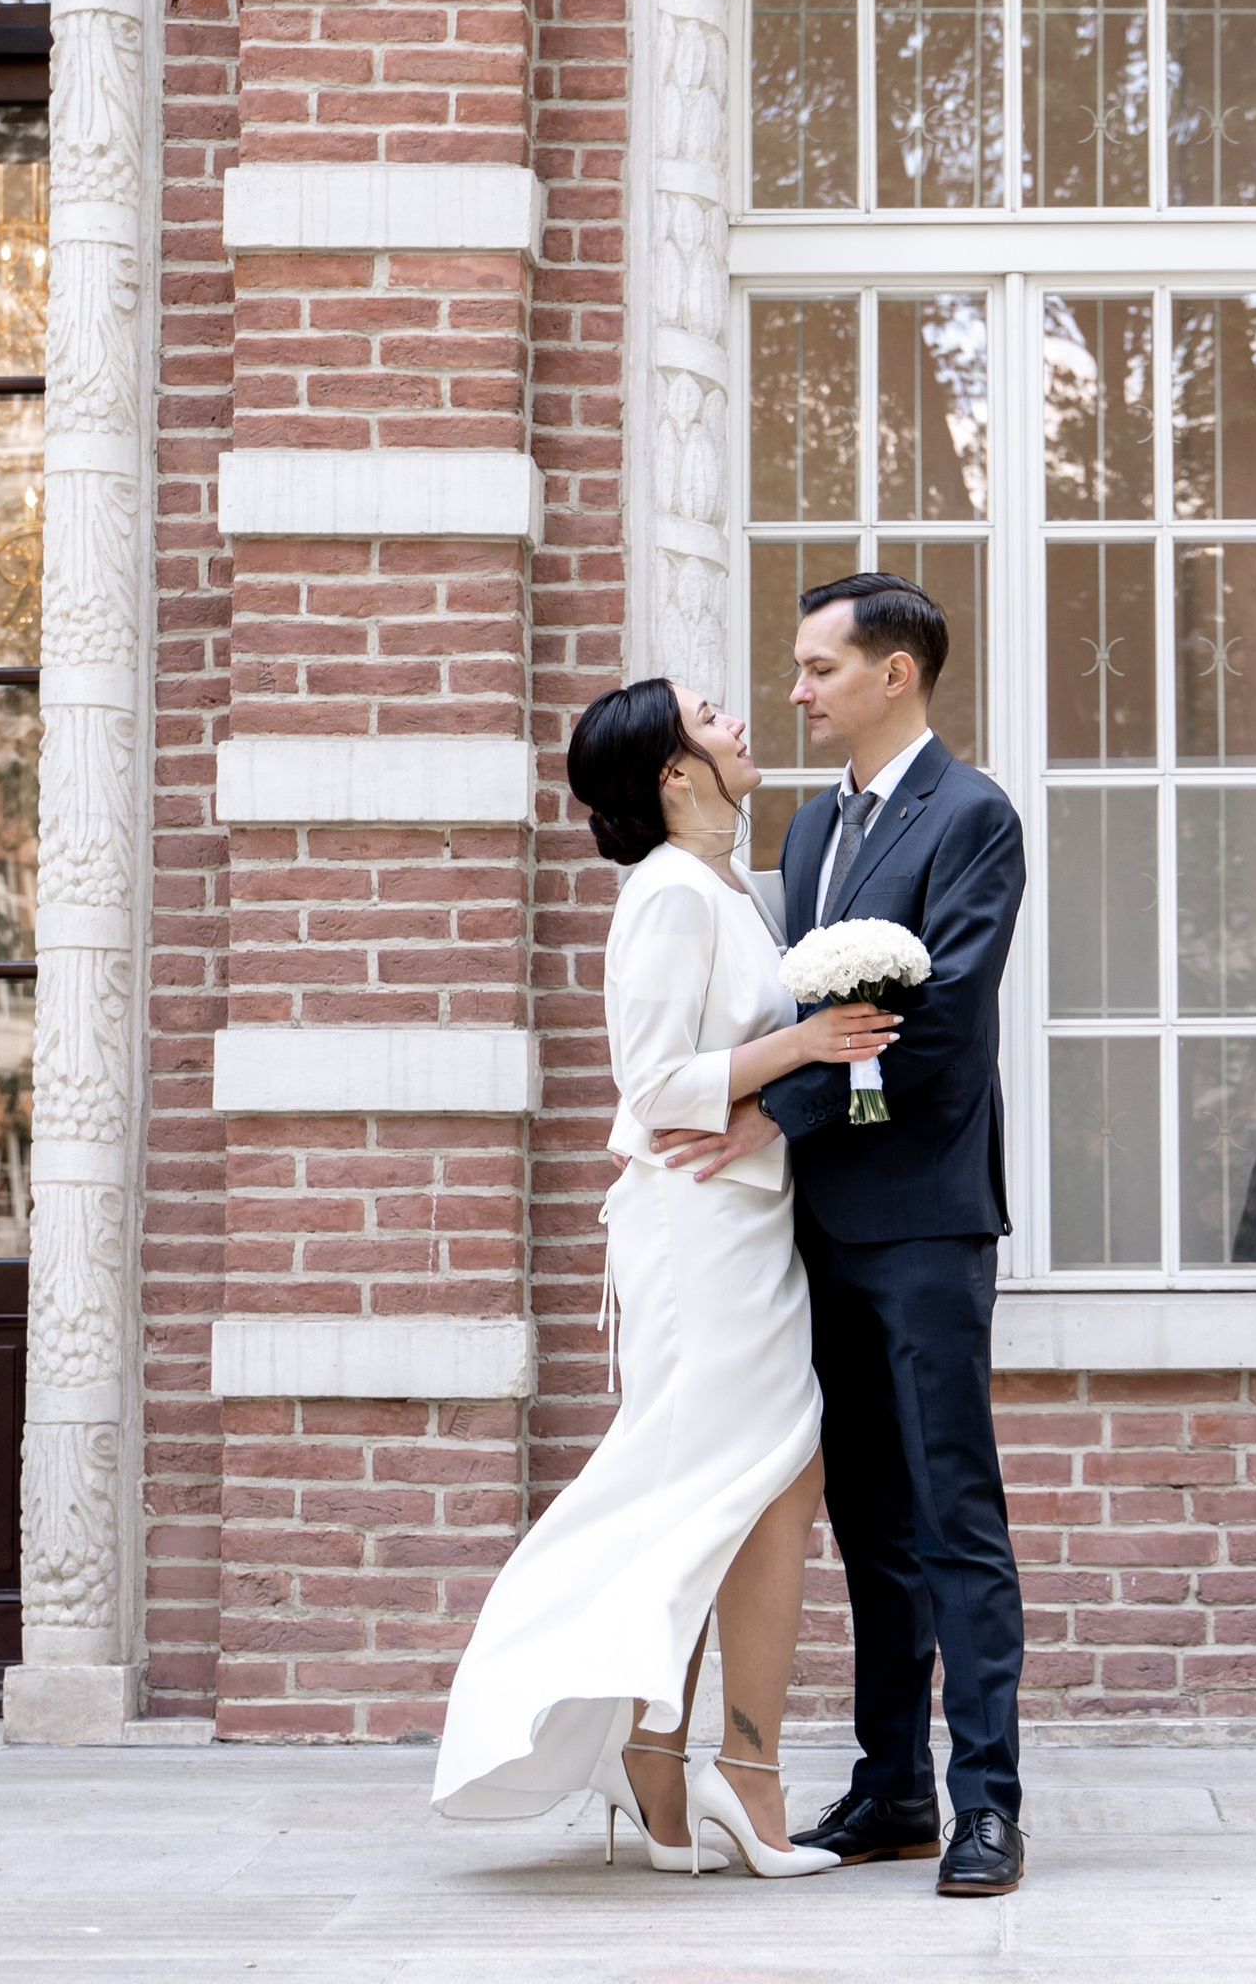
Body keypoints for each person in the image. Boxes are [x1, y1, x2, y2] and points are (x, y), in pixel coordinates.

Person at [431, 674, 897, 1879]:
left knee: (756, 1488)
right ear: (676, 774)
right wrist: (805, 1043)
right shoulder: (670, 894)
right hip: (695, 1239)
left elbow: (726, 1079)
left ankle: (683, 1762)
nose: (738, 722)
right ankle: (705, 1764)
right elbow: (651, 1084)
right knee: (737, 1481)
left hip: (741, 1226)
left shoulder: (728, 891)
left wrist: (793, 1078)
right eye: (710, 718)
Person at [652, 572, 1030, 1900]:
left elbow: (944, 1030)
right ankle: (893, 1788)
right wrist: (773, 1111)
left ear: (895, 677)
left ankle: (990, 1802)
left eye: (819, 669)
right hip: (821, 1229)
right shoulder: (811, 834)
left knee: (953, 1517)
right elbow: (799, 1003)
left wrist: (776, 1112)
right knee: (869, 1521)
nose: (797, 692)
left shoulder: (974, 816)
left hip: (926, 1215)